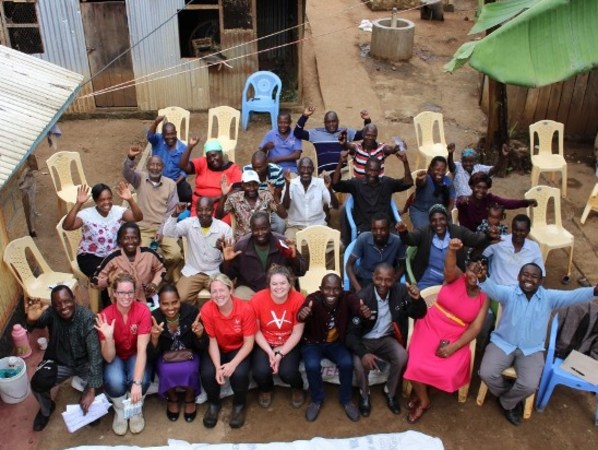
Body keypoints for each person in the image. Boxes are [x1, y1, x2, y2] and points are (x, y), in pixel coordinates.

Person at [478, 264, 598, 426]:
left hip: (531, 350)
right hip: (503, 343)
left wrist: (594, 291)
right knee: (486, 373)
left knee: (530, 385)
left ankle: (507, 402)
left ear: (541, 281)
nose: (529, 279)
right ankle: (509, 394)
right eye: (525, 274)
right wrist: (483, 278)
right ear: (518, 276)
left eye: (534, 276)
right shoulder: (509, 293)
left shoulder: (549, 297)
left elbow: (573, 295)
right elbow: (493, 290)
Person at [403, 239, 490, 423]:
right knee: (416, 363)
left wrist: (455, 346)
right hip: (430, 323)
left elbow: (475, 328)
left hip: (457, 334)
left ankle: (422, 392)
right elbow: (449, 266)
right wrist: (451, 250)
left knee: (447, 371)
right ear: (466, 268)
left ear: (485, 276)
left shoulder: (484, 297)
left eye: (479, 272)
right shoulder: (456, 277)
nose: (474, 274)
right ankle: (424, 400)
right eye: (472, 269)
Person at [346, 263, 427, 417]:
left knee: (402, 355)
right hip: (364, 341)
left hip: (385, 338)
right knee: (358, 363)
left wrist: (417, 300)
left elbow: (419, 314)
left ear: (394, 279)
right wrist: (363, 354)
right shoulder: (362, 297)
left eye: (388, 280)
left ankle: (389, 392)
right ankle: (364, 395)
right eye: (379, 279)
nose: (383, 284)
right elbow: (350, 335)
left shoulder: (401, 291)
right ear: (373, 278)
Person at [25, 286, 102, 431]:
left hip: (84, 364)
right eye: (58, 304)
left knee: (98, 381)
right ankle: (46, 409)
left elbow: (95, 356)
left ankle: (89, 404)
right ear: (53, 306)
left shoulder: (87, 318)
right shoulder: (52, 313)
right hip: (60, 361)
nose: (63, 307)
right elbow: (38, 321)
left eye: (66, 301)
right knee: (38, 382)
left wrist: (91, 390)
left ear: (74, 299)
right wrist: (31, 319)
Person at [298, 273, 370, 422]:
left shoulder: (347, 297)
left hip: (335, 343)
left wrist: (362, 311)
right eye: (327, 289)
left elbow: (357, 305)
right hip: (313, 343)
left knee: (347, 363)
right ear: (321, 289)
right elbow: (302, 312)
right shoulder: (313, 299)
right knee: (311, 366)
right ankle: (316, 400)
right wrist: (302, 315)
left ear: (341, 289)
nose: (331, 293)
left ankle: (347, 400)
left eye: (336, 289)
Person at [62, 182, 143, 307]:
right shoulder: (87, 214)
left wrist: (130, 199)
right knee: (113, 276)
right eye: (102, 200)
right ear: (95, 200)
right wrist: (78, 203)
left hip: (112, 256)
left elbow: (138, 217)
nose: (107, 202)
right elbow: (67, 226)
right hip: (90, 257)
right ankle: (111, 304)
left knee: (128, 272)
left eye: (109, 198)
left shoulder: (117, 211)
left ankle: (113, 302)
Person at [94, 273, 152, 435]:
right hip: (116, 355)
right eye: (121, 292)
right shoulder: (105, 315)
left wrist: (137, 383)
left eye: (130, 292)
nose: (126, 296)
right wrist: (109, 337)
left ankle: (135, 409)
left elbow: (142, 350)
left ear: (135, 293)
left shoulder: (143, 311)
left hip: (135, 354)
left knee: (144, 379)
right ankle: (120, 410)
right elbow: (109, 357)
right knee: (114, 381)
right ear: (114, 293)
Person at [200, 274, 257, 429]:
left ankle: (239, 405)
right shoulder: (207, 310)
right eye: (214, 292)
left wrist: (232, 364)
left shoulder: (245, 309)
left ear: (230, 290)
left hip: (239, 348)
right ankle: (213, 404)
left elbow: (249, 343)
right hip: (218, 347)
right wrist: (218, 366)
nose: (218, 295)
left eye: (222, 290)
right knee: (207, 372)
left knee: (239, 373)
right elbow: (211, 341)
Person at [397, 204, 494, 289]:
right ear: (430, 222)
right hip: (428, 280)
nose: (438, 223)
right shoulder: (424, 232)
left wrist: (488, 236)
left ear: (447, 219)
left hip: (453, 280)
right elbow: (410, 239)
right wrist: (403, 232)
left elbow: (476, 240)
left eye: (441, 219)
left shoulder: (458, 231)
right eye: (434, 220)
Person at [148, 284, 207, 423]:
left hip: (189, 354)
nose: (170, 308)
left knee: (191, 368)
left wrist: (199, 335)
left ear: (179, 300)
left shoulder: (191, 312)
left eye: (174, 302)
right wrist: (154, 339)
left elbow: (203, 346)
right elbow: (151, 355)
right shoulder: (153, 317)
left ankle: (189, 398)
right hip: (165, 356)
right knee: (164, 369)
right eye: (165, 304)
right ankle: (173, 398)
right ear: (159, 303)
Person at [250, 266, 306, 411]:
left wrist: (280, 354)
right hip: (265, 341)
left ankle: (297, 387)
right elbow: (255, 331)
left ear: (290, 284)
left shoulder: (298, 299)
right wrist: (270, 352)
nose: (279, 287)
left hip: (288, 341)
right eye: (274, 284)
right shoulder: (257, 299)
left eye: (283, 283)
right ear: (269, 285)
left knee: (287, 372)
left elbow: (296, 332)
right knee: (260, 371)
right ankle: (266, 389)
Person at [123, 146, 182, 281]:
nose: (155, 167)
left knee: (176, 254)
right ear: (148, 166)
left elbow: (172, 211)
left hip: (163, 229)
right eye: (152, 164)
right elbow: (127, 173)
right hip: (143, 228)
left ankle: (162, 275)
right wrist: (131, 158)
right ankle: (149, 278)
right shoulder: (139, 179)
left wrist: (162, 230)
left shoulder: (171, 184)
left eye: (158, 165)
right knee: (141, 256)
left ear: (163, 167)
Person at [220, 211, 307, 299]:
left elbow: (301, 271)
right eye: (256, 230)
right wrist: (227, 262)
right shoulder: (242, 246)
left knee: (295, 300)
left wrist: (293, 258)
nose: (260, 233)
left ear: (270, 227)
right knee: (238, 299)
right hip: (250, 288)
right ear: (251, 229)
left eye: (264, 228)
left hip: (278, 288)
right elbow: (230, 276)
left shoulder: (282, 243)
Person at [162, 197, 232, 304]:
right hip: (194, 271)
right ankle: (193, 318)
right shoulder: (189, 223)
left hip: (215, 272)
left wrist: (222, 249)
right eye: (200, 210)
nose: (204, 213)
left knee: (224, 297)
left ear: (213, 210)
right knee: (180, 300)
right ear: (196, 210)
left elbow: (229, 255)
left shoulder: (224, 228)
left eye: (208, 210)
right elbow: (168, 232)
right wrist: (175, 214)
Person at [332, 152, 413, 242]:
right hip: (365, 229)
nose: (372, 174)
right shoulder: (356, 184)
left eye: (375, 171)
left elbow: (408, 183)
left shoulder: (387, 183)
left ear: (379, 171)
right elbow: (335, 184)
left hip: (385, 228)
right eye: (370, 170)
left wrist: (405, 162)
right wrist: (340, 162)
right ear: (365, 170)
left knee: (399, 244)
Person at [93, 222, 165, 305]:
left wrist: (154, 283)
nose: (130, 242)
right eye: (126, 238)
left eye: (134, 238)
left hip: (147, 299)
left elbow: (161, 269)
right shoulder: (112, 259)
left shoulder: (149, 254)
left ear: (140, 240)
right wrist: (108, 280)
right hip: (121, 303)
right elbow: (95, 281)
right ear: (120, 240)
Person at [293, 105, 371, 173]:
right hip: (324, 174)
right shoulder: (316, 133)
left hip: (343, 173)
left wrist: (367, 120)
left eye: (334, 121)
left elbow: (364, 134)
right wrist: (304, 116)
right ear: (324, 123)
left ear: (338, 121)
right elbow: (297, 133)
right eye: (328, 122)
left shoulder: (345, 132)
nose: (331, 124)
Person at [179, 137, 242, 218]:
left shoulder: (233, 168)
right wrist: (190, 147)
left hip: (220, 207)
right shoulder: (203, 162)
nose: (212, 159)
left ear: (221, 153)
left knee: (217, 228)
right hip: (199, 206)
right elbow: (183, 166)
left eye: (214, 155)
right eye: (209, 157)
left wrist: (216, 199)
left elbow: (238, 190)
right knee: (196, 227)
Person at [217, 169, 287, 239]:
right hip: (242, 240)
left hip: (263, 237)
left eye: (255, 184)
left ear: (259, 184)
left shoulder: (266, 195)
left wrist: (275, 196)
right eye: (248, 185)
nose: (252, 188)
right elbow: (219, 216)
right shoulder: (234, 198)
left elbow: (283, 215)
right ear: (242, 185)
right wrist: (223, 195)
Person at [456, 172, 536, 232]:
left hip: (485, 233)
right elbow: (459, 203)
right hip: (468, 237)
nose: (481, 191)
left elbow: (507, 203)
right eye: (478, 187)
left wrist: (526, 202)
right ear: (472, 187)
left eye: (484, 188)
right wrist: (462, 202)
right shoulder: (465, 201)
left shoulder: (489, 198)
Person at [346, 213, 405, 292]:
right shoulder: (363, 239)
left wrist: (393, 280)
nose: (378, 232)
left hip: (386, 280)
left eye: (382, 229)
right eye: (374, 229)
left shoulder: (397, 242)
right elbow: (349, 265)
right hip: (364, 278)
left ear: (389, 228)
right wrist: (358, 288)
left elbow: (402, 266)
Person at [282, 156, 338, 240]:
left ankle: (306, 250)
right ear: (298, 170)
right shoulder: (290, 183)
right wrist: (287, 186)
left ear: (313, 169)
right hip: (295, 228)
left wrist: (329, 188)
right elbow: (285, 206)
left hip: (318, 227)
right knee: (287, 248)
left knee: (337, 245)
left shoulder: (321, 183)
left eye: (309, 168)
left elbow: (335, 206)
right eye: (303, 168)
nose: (306, 171)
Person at [482, 214, 545, 287]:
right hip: (496, 290)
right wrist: (487, 240)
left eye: (522, 231)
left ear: (528, 231)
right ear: (512, 229)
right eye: (516, 230)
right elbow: (478, 255)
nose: (518, 233)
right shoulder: (499, 242)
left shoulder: (534, 247)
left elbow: (541, 275)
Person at [147, 115, 192, 203]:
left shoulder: (183, 149)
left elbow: (185, 171)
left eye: (172, 134)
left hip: (175, 182)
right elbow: (150, 136)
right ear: (162, 134)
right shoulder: (158, 140)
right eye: (167, 134)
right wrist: (155, 123)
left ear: (176, 133)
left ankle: (186, 211)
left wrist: (174, 184)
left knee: (186, 193)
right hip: (157, 179)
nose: (170, 137)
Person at [243, 150, 287, 233]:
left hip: (270, 206)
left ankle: (275, 243)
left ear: (267, 163)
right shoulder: (247, 170)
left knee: (281, 223)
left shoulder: (277, 171)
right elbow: (245, 192)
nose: (256, 170)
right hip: (251, 205)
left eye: (260, 167)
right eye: (254, 167)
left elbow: (277, 196)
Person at [408, 156, 455, 229]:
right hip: (421, 211)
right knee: (425, 232)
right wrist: (419, 179)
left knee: (448, 231)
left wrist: (446, 214)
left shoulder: (448, 181)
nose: (440, 173)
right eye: (437, 169)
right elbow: (420, 183)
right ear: (431, 168)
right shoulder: (426, 178)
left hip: (439, 212)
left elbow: (452, 202)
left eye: (443, 170)